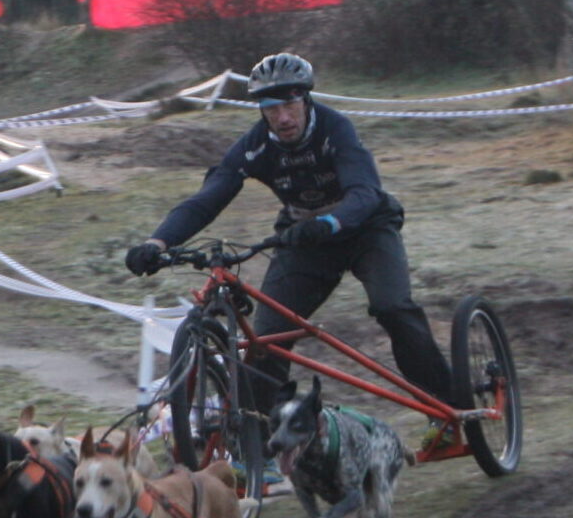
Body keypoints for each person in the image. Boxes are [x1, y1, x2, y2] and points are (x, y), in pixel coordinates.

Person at [124, 52, 455, 448]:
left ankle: (448, 408)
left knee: (392, 307)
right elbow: (207, 199)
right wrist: (157, 242)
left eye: (290, 104)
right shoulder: (254, 146)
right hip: (304, 239)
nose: (282, 117)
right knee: (267, 339)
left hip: (367, 229)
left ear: (306, 99)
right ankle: (256, 448)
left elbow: (365, 192)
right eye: (271, 108)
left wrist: (329, 223)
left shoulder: (335, 129)